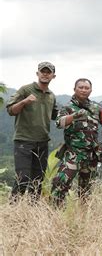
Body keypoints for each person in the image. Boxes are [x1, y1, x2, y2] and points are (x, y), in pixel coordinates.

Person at [51, 78, 102, 205]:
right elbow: (58, 123)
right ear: (74, 89)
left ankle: (83, 217)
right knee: (61, 183)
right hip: (73, 153)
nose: (84, 90)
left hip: (91, 155)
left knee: (86, 189)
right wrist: (73, 116)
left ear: (90, 90)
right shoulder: (67, 107)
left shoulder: (96, 108)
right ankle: (54, 214)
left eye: (86, 88)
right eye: (81, 87)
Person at [6, 61, 58, 201]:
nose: (45, 74)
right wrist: (24, 102)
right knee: (22, 179)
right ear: (37, 73)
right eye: (43, 71)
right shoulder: (25, 90)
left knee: (38, 181)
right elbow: (11, 110)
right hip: (24, 141)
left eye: (48, 72)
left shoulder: (51, 95)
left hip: (42, 142)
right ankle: (13, 211)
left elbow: (56, 117)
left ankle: (33, 213)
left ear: (53, 76)